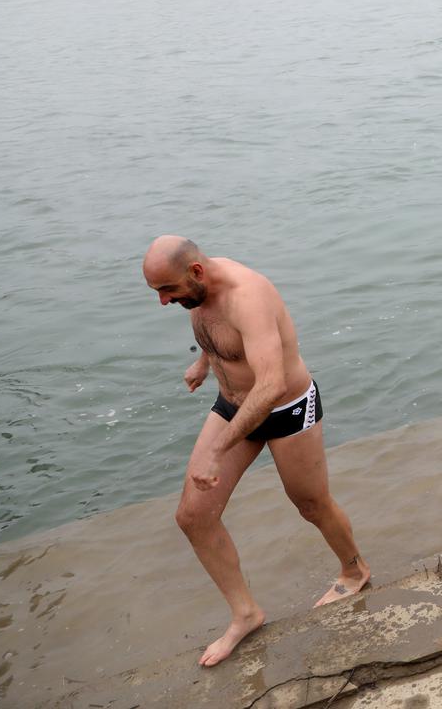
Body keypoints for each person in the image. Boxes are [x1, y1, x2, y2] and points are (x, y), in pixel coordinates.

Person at [141, 236, 370, 667]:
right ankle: (245, 613)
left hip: (286, 407)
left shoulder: (248, 295)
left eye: (167, 291)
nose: (162, 301)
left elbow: (271, 386)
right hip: (234, 405)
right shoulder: (199, 288)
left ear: (195, 272)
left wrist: (218, 450)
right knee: (193, 516)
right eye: (157, 292)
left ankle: (355, 570)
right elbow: (221, 336)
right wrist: (204, 363)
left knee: (311, 504)